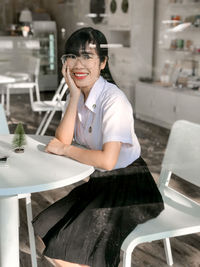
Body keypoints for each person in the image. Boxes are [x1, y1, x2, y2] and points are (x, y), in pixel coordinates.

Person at [33, 27, 164, 267]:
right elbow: (61, 140)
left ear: (103, 62)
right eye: (72, 56)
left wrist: (65, 150)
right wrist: (73, 96)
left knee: (62, 250)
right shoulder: (80, 95)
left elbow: (106, 161)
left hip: (131, 187)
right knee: (46, 224)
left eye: (87, 56)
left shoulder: (114, 100)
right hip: (101, 182)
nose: (78, 64)